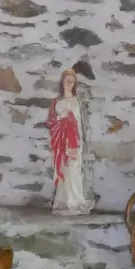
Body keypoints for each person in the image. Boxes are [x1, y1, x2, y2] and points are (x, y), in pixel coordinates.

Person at [46, 69, 93, 215]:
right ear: (62, 82)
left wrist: (78, 141)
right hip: (60, 141)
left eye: (72, 82)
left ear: (74, 84)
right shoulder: (57, 102)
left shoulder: (77, 101)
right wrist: (61, 118)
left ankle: (76, 202)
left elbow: (80, 122)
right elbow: (51, 121)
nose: (69, 84)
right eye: (67, 81)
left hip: (74, 141)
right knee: (64, 171)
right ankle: (63, 202)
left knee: (74, 170)